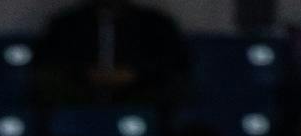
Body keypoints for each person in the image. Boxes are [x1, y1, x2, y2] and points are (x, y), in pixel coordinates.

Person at [33, 0, 188, 110]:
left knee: (174, 86)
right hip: (79, 93)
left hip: (138, 94)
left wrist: (135, 74)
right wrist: (84, 74)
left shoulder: (155, 24)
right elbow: (49, 60)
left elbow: (175, 61)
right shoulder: (65, 24)